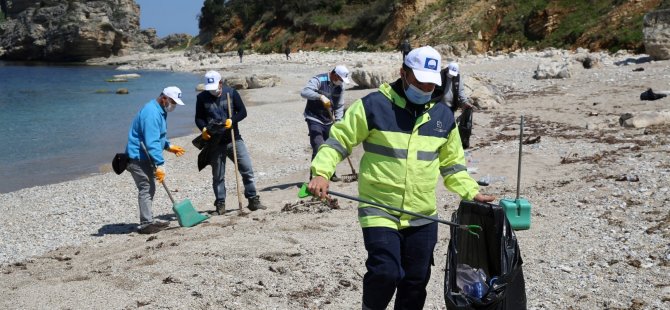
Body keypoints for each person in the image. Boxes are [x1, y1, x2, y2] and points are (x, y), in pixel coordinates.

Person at [307, 46, 495, 309]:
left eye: (431, 84)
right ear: (403, 73)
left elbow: (453, 166)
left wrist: (471, 191)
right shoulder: (373, 106)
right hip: (380, 208)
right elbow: (339, 141)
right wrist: (322, 173)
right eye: (419, 81)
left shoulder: (442, 116)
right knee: (386, 272)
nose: (426, 88)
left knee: (416, 282)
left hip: (423, 214)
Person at [195, 70, 266, 215]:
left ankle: (253, 199)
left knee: (247, 170)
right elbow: (199, 118)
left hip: (234, 138)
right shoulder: (201, 98)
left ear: (220, 83)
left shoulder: (231, 93)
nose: (212, 92)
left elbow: (243, 112)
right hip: (215, 142)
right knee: (218, 176)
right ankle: (220, 204)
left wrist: (232, 120)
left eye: (215, 87)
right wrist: (203, 128)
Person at [125, 86, 186, 234]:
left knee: (149, 186)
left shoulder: (159, 110)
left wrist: (168, 145)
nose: (174, 105)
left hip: (146, 155)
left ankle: (148, 219)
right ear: (164, 98)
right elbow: (151, 142)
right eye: (173, 101)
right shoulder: (151, 113)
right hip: (137, 157)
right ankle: (146, 223)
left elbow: (158, 136)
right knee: (146, 187)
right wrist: (160, 164)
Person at [300, 65, 350, 182]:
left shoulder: (340, 87)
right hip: (314, 117)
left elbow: (339, 106)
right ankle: (315, 177)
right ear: (334, 75)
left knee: (331, 147)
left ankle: (331, 173)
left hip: (328, 120)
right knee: (318, 146)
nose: (341, 82)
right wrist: (320, 96)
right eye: (340, 79)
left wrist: (338, 121)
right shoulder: (319, 80)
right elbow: (304, 92)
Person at [437, 62, 475, 149]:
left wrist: (465, 102)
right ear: (447, 69)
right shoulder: (440, 75)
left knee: (449, 126)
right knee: (438, 126)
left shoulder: (458, 78)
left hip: (451, 107)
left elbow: (461, 92)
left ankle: (447, 144)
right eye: (450, 73)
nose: (451, 75)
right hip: (439, 106)